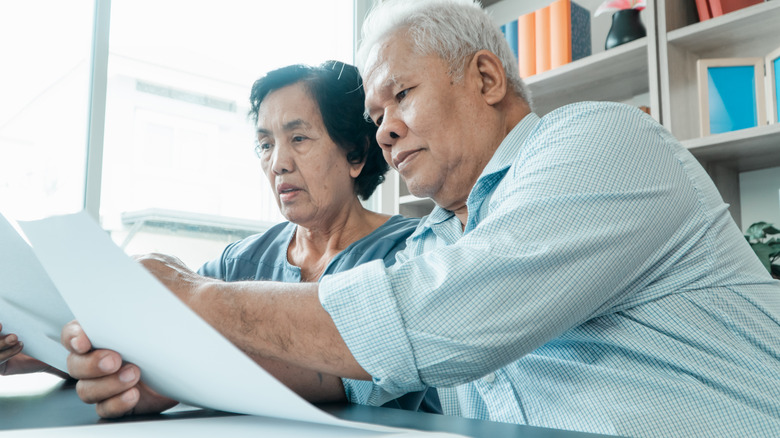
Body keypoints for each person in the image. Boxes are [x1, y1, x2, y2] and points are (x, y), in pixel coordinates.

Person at [62, 0, 780, 436]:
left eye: (399, 96)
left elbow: (445, 319)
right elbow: (339, 374)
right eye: (375, 116)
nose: (382, 132)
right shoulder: (440, 236)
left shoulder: (598, 140)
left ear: (487, 79)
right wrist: (166, 377)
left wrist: (194, 300)